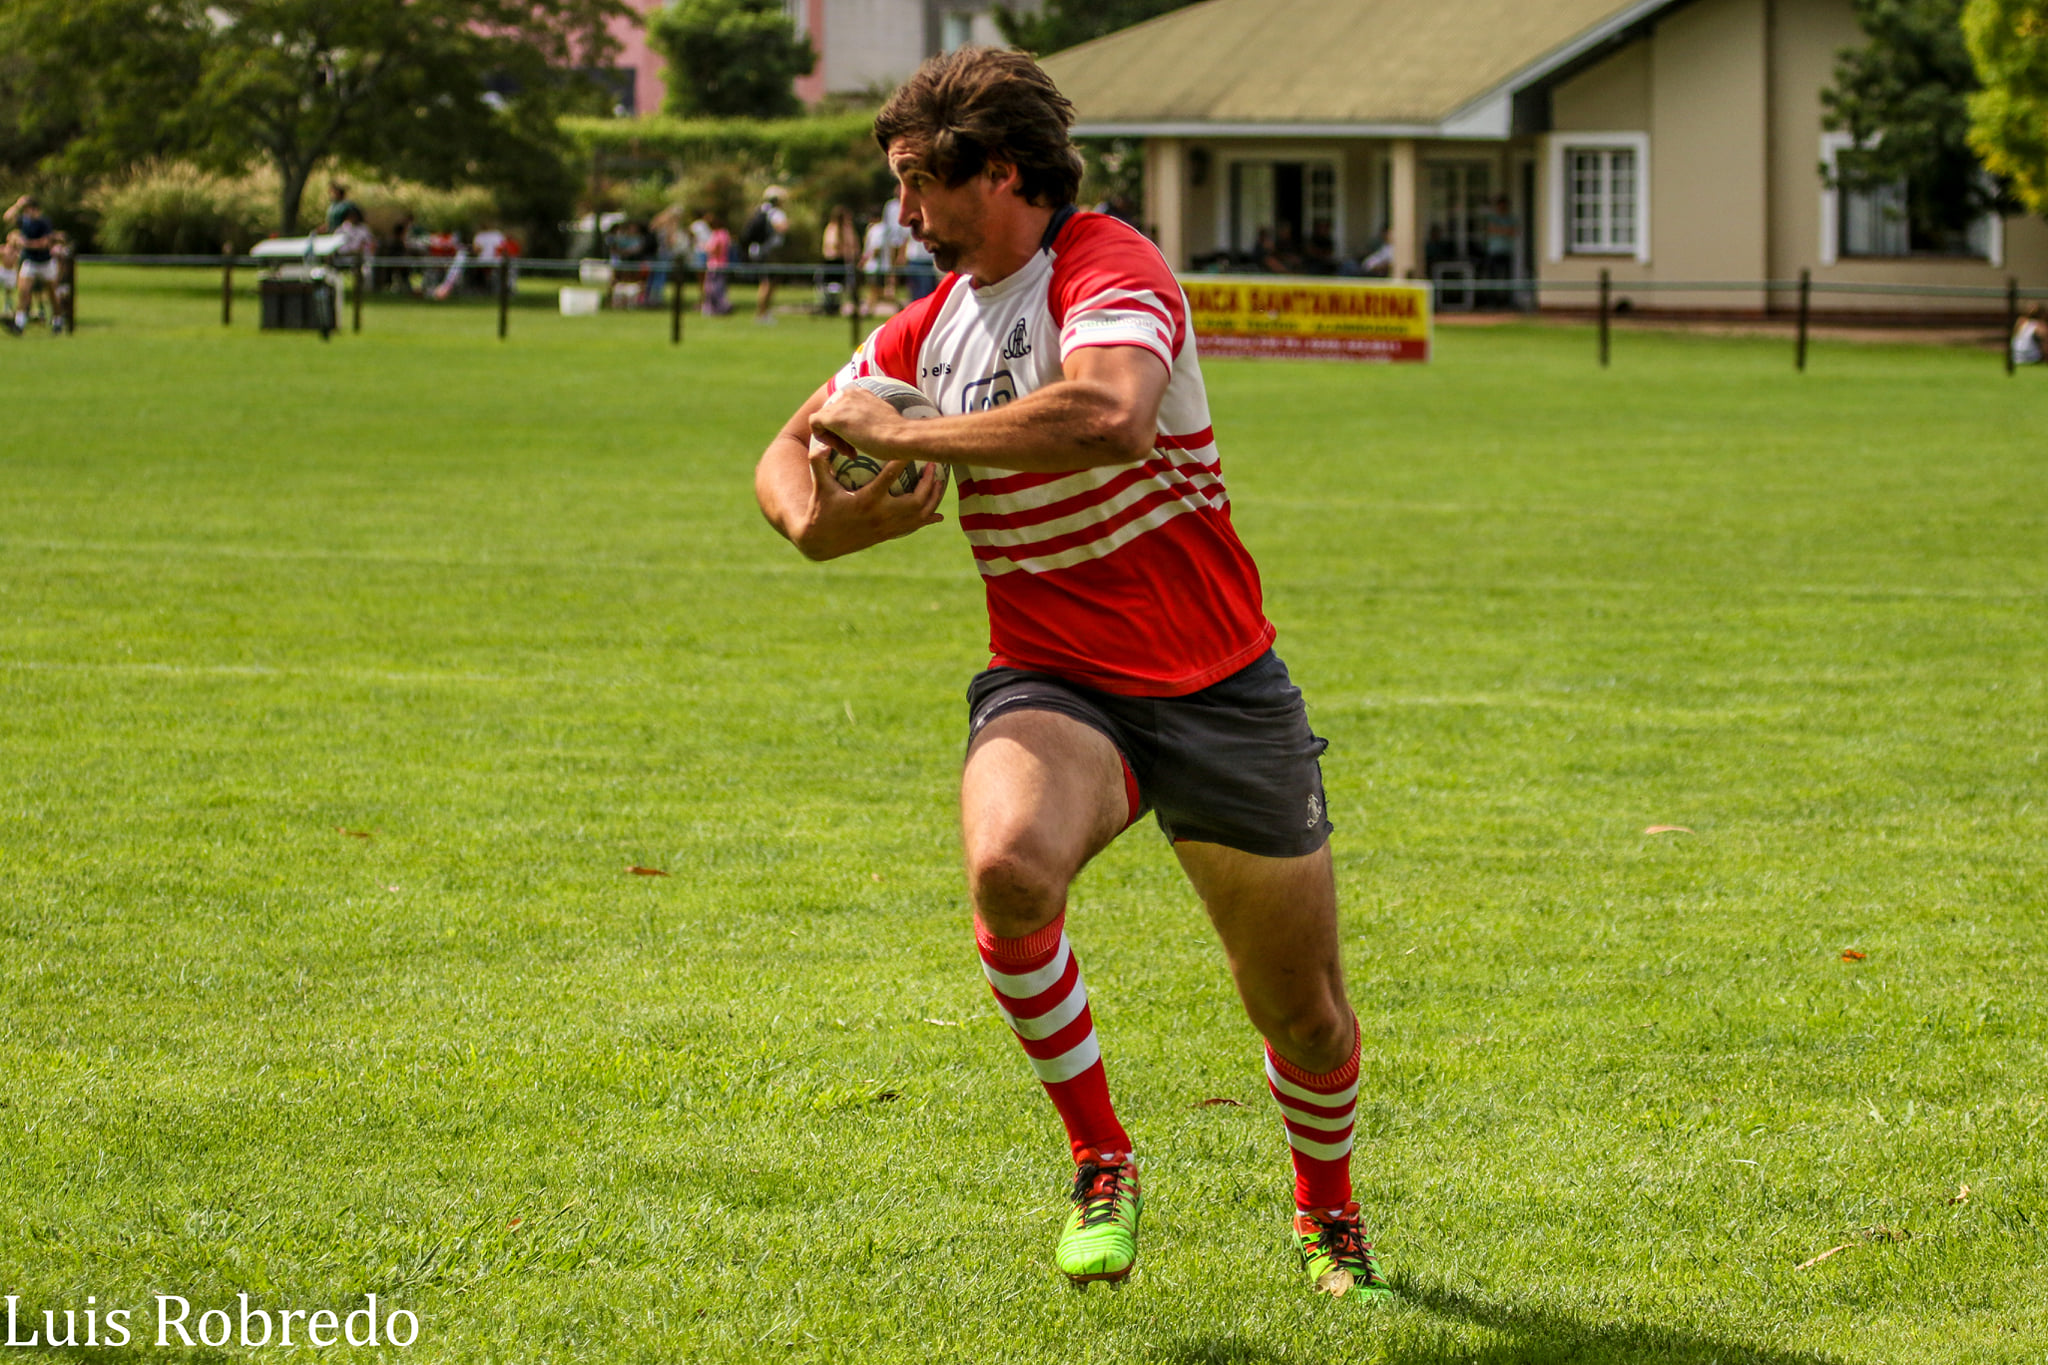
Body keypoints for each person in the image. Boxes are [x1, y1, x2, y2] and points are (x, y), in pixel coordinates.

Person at [753, 46, 1389, 1300]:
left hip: (1216, 685)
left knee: (1303, 1013)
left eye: (917, 182)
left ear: (998, 171)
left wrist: (912, 436)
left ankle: (1328, 1216)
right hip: (1052, 679)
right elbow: (788, 443)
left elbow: (1110, 412)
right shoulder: (932, 324)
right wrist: (816, 523)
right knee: (1006, 868)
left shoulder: (1106, 265)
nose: (901, 213)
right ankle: (1101, 1161)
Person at [7, 196, 61, 335]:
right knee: (24, 292)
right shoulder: (25, 221)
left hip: (45, 262)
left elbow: (44, 243)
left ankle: (57, 321)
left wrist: (26, 244)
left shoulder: (44, 222)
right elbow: (7, 217)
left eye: (28, 209)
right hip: (30, 262)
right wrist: (18, 204)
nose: (26, 212)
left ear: (35, 210)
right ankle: (19, 324)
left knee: (52, 294)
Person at [741, 186, 790, 321]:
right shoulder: (776, 213)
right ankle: (762, 313)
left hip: (760, 251)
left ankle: (762, 312)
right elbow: (782, 227)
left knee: (765, 281)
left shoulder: (761, 210)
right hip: (770, 251)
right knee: (768, 282)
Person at [700, 211, 732, 316]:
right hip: (723, 264)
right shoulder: (725, 233)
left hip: (715, 265)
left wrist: (705, 247)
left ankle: (716, 308)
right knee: (719, 287)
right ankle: (719, 307)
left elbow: (715, 249)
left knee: (713, 288)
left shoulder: (717, 234)